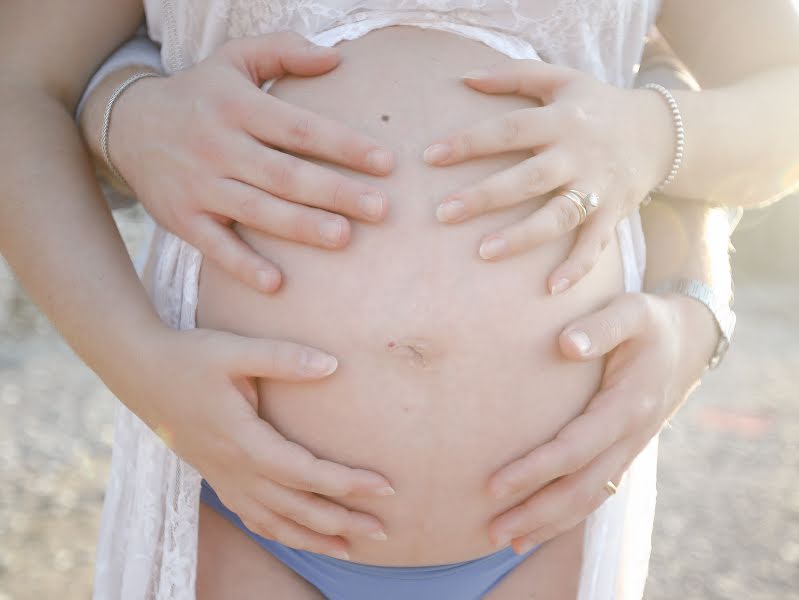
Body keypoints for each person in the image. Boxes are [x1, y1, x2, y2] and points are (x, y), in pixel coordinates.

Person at [1, 1, 797, 599]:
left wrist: (657, 145)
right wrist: (139, 366)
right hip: (242, 492)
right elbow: (19, 81)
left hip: (547, 512)